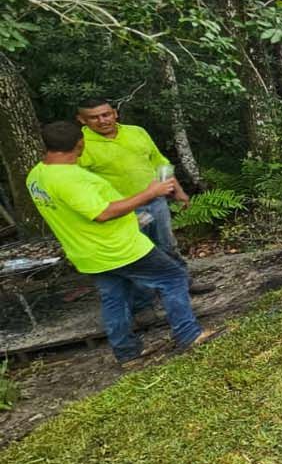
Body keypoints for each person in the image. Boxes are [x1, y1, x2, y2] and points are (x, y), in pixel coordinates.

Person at [28, 121, 213, 367]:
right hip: (118, 248)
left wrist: (129, 216)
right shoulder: (71, 178)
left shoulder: (37, 175)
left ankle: (127, 354)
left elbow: (77, 210)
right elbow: (102, 213)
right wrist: (150, 193)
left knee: (114, 297)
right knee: (173, 277)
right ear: (79, 144)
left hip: (86, 252)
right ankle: (189, 335)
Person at [76, 96, 211, 294]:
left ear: (115, 113)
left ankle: (183, 283)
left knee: (167, 245)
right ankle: (146, 301)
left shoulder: (136, 132)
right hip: (122, 210)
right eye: (94, 117)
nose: (102, 120)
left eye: (106, 114)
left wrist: (177, 189)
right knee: (136, 254)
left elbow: (160, 162)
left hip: (156, 202)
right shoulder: (81, 145)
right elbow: (82, 183)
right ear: (82, 120)